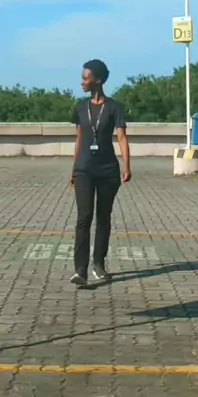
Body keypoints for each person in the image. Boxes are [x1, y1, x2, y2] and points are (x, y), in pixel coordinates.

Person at [69, 59, 131, 287]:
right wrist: (74, 168)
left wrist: (127, 166)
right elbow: (79, 140)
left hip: (108, 171)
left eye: (86, 78)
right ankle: (80, 270)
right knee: (84, 218)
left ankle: (99, 263)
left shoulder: (114, 107)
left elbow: (122, 138)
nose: (82, 82)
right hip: (84, 169)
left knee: (103, 218)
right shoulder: (80, 107)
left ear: (98, 80)